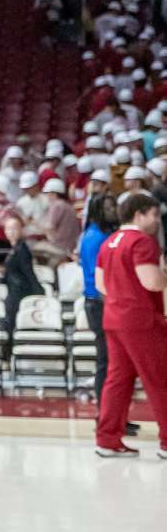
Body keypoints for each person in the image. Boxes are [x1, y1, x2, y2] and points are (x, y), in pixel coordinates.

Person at [93, 193, 167, 459]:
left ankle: (107, 439)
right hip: (141, 320)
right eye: (154, 214)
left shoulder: (109, 243)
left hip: (113, 318)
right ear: (139, 214)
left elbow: (100, 284)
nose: (157, 221)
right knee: (160, 379)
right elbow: (152, 283)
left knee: (117, 380)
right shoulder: (142, 243)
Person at [80, 194, 124, 427]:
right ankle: (105, 415)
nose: (113, 210)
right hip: (99, 302)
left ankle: (116, 415)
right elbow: (99, 278)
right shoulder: (95, 237)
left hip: (103, 301)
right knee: (105, 361)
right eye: (108, 207)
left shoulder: (105, 235)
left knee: (115, 362)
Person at [1, 216, 43, 334]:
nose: (11, 232)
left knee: (14, 324)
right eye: (8, 229)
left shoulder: (21, 249)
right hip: (13, 289)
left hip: (19, 292)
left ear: (21, 230)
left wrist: (38, 290)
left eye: (14, 228)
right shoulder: (14, 249)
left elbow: (28, 271)